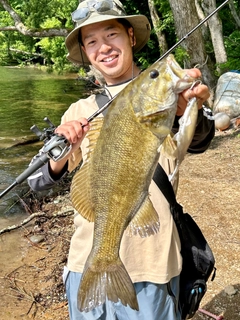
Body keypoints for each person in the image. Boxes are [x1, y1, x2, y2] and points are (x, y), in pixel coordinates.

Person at [27, 0, 215, 319]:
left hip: (152, 267)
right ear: (86, 53)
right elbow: (36, 180)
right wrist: (61, 150)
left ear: (130, 35)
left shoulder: (168, 100)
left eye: (111, 33)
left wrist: (186, 111)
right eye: (92, 41)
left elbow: (198, 141)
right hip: (86, 262)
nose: (104, 47)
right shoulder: (79, 112)